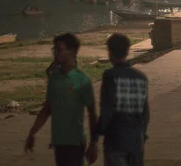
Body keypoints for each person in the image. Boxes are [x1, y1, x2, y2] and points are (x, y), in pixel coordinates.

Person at [25, 33, 98, 166]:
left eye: (59, 49)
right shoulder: (54, 79)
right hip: (58, 143)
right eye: (55, 49)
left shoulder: (82, 80)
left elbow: (92, 114)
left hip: (76, 143)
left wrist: (94, 144)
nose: (55, 53)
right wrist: (32, 132)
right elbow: (47, 109)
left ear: (72, 51)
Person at [98, 33, 149, 166]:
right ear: (127, 51)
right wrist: (142, 133)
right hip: (136, 141)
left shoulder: (110, 76)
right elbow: (145, 113)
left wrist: (96, 134)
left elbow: (106, 110)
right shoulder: (141, 77)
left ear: (110, 53)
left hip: (116, 140)